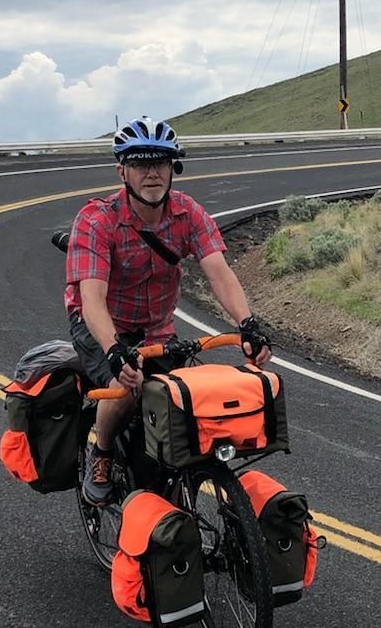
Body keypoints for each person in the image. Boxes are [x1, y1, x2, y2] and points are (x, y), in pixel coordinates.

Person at [65, 116, 272, 503]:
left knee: (183, 401)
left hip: (156, 327)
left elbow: (219, 273)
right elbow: (91, 297)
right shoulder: (97, 220)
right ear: (122, 170)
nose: (152, 173)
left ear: (172, 167)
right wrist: (114, 350)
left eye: (159, 163)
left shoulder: (188, 213)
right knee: (126, 385)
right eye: (141, 164)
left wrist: (248, 324)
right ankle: (103, 452)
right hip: (101, 323)